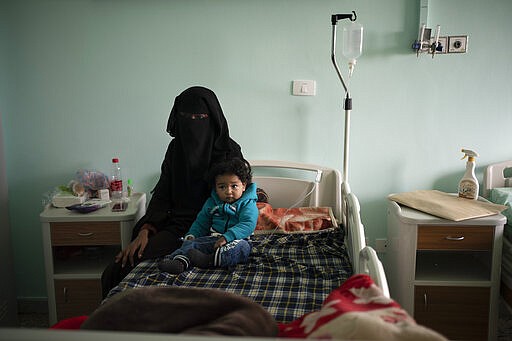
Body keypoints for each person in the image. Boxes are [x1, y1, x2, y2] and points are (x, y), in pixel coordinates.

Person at [101, 86, 244, 298]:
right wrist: (146, 229)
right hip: (177, 226)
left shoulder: (229, 151)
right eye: (187, 117)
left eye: (200, 117)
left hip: (219, 227)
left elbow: (243, 192)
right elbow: (162, 193)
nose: (193, 123)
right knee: (117, 269)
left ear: (213, 118)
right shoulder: (176, 150)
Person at [158, 158, 258, 274]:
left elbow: (248, 224)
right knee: (192, 244)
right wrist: (193, 234)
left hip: (237, 240)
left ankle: (209, 260)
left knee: (242, 249)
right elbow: (201, 222)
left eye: (234, 186)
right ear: (215, 188)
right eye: (222, 187)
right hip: (214, 239)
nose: (228, 191)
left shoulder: (248, 204)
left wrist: (227, 237)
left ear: (244, 186)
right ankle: (179, 262)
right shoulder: (212, 203)